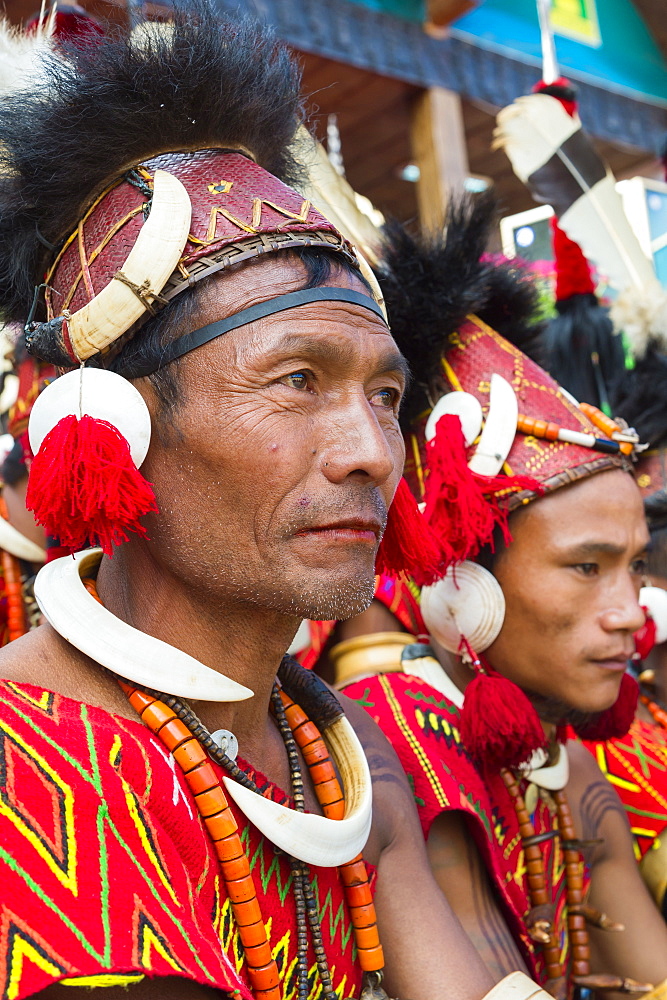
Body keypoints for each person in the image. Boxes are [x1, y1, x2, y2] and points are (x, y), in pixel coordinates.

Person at [0, 7, 550, 1000]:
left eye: (385, 396)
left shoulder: (334, 750)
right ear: (114, 423)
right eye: (296, 380)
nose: (371, 452)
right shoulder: (26, 758)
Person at [326, 203, 667, 999]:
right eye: (586, 568)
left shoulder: (563, 756)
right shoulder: (393, 733)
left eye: (634, 567)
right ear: (464, 591)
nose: (630, 612)